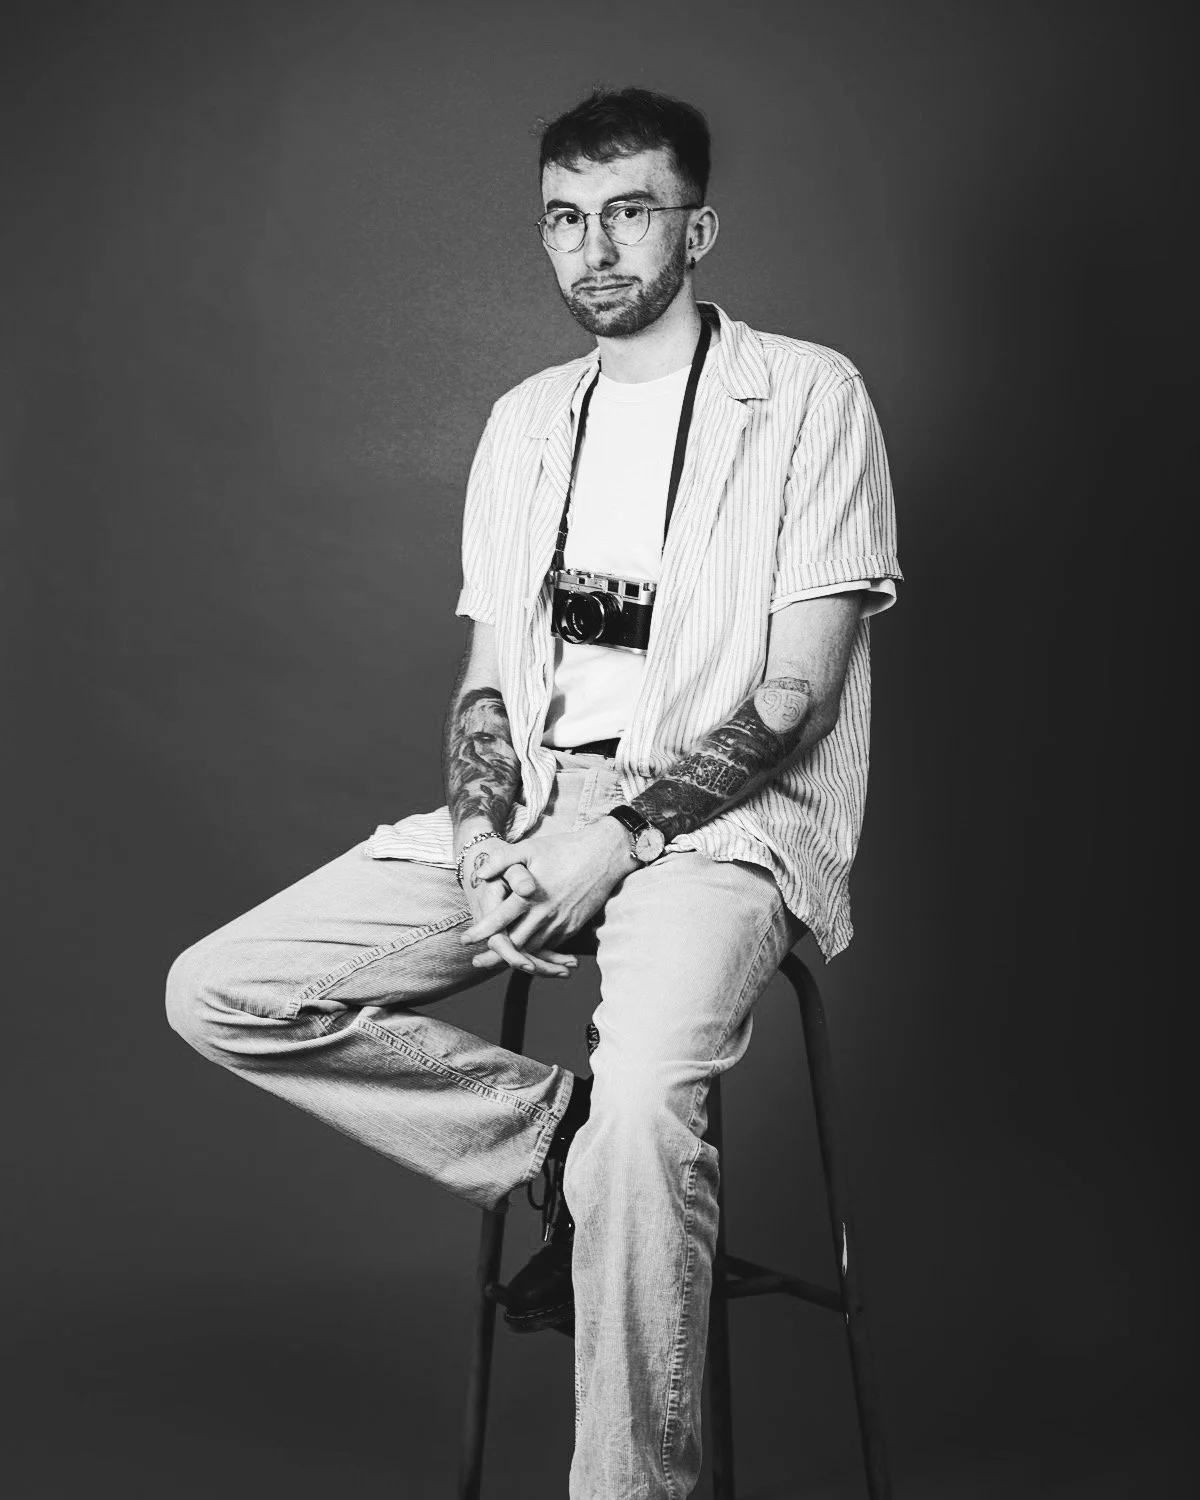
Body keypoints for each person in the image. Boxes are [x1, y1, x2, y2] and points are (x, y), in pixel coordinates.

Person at [165, 85, 901, 1499]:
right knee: (222, 989)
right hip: (545, 804)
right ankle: (550, 1141)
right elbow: (492, 681)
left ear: (700, 226)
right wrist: (501, 834)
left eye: (631, 213)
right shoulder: (524, 425)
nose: (596, 250)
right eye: (566, 220)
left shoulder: (807, 397)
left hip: (722, 834)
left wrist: (614, 842)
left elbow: (793, 693)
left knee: (647, 1116)